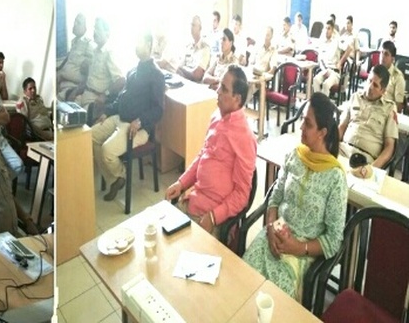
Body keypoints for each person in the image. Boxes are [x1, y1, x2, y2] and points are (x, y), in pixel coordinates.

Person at [244, 93, 347, 300]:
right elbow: (275, 198)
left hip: (302, 254)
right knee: (242, 280)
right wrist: (271, 226)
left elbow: (334, 239)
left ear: (322, 133)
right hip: (273, 237)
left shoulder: (335, 178)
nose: (300, 127)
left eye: (307, 124)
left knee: (271, 300)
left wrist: (299, 247)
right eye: (302, 120)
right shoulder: (295, 156)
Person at [165, 65, 257, 236]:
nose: (217, 91)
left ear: (237, 99)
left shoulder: (244, 137)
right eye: (219, 85)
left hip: (212, 217)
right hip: (193, 201)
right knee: (158, 233)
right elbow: (203, 155)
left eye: (224, 89)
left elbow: (242, 195)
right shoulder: (216, 116)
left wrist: (214, 216)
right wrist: (182, 183)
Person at [93, 32, 165, 201]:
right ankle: (115, 179)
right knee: (90, 136)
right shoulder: (133, 70)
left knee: (107, 150)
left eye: (140, 42)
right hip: (119, 118)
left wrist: (140, 121)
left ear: (149, 45)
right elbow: (121, 98)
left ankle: (121, 174)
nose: (136, 46)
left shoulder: (156, 75)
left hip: (137, 127)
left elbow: (158, 109)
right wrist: (107, 112)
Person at [339, 64, 398, 168]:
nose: (370, 87)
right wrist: (330, 147)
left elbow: (389, 147)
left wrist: (373, 168)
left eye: (375, 85)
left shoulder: (389, 108)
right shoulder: (355, 97)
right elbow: (341, 127)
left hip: (366, 159)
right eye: (369, 81)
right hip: (343, 149)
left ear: (383, 91)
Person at [74, 18, 124, 119]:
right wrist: (77, 91)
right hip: (84, 95)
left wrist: (105, 95)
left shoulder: (110, 53)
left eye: (98, 29)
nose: (95, 32)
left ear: (107, 33)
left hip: (94, 100)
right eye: (94, 28)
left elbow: (121, 81)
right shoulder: (95, 51)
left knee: (75, 121)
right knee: (63, 112)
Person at [57, 13, 92, 101]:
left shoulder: (88, 44)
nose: (75, 24)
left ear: (85, 28)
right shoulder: (74, 42)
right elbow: (68, 59)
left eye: (78, 23)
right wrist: (58, 70)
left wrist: (77, 90)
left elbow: (90, 72)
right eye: (75, 21)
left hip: (72, 86)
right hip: (62, 81)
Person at [175, 16, 212, 82]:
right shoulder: (188, 47)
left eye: (193, 25)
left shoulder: (205, 48)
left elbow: (197, 75)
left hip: (195, 84)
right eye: (191, 25)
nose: (191, 28)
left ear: (200, 28)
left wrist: (183, 71)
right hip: (183, 81)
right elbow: (179, 67)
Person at [312, 20, 343, 95]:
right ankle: (318, 101)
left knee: (326, 84)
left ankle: (323, 102)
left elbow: (349, 48)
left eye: (329, 29)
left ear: (332, 30)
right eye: (325, 28)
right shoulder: (322, 42)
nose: (326, 31)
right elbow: (320, 59)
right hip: (325, 70)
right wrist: (325, 70)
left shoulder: (337, 41)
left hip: (334, 72)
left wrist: (340, 62)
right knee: (315, 80)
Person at [380, 41, 405, 113]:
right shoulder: (374, 71)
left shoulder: (398, 77)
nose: (382, 56)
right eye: (381, 53)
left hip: (385, 112)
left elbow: (398, 107)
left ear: (392, 59)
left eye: (386, 54)